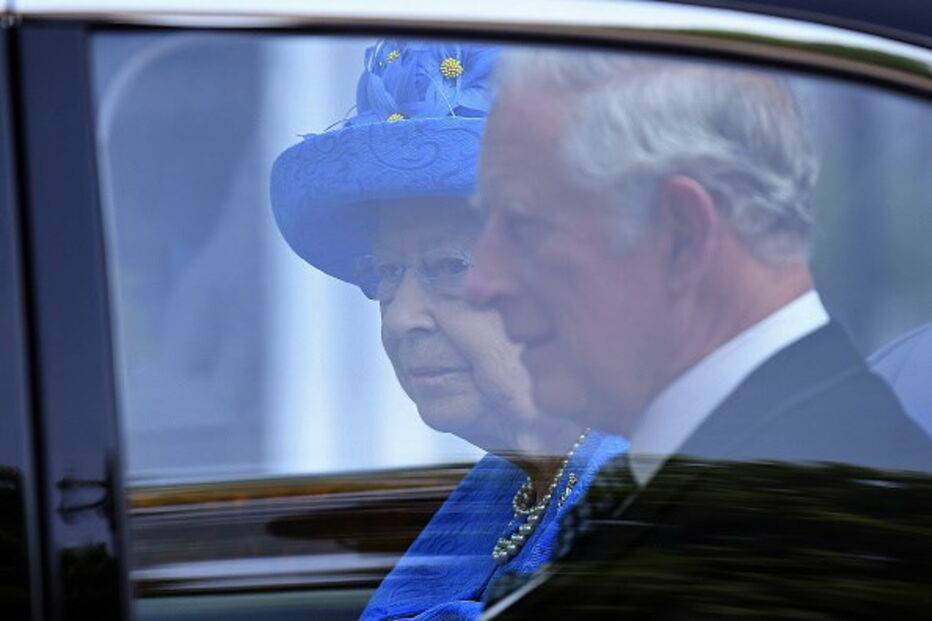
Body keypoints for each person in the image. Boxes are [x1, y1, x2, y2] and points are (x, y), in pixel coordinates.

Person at [465, 50, 932, 618]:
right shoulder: (772, 481)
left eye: (522, 224)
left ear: (681, 235)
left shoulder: (785, 548)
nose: (483, 284)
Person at [269, 40, 626, 620]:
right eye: (388, 272)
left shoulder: (645, 494)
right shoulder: (507, 484)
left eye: (451, 267)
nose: (402, 318)